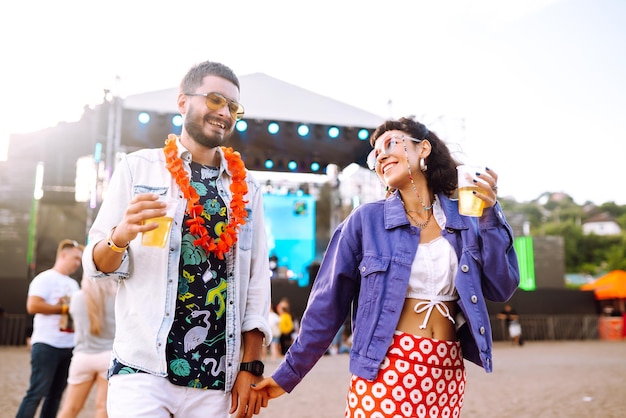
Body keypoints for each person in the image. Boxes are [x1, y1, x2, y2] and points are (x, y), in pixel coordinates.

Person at [253, 117, 520, 417]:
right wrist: (287, 375)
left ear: (424, 149)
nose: (380, 155)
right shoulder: (365, 221)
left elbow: (502, 286)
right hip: (387, 366)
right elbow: (326, 306)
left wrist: (490, 217)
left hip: (447, 371)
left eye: (390, 143)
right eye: (375, 154)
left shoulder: (467, 221)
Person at [81, 60, 272, 418]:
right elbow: (95, 267)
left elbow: (257, 283)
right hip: (142, 370)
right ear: (183, 102)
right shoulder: (138, 169)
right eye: (215, 100)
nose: (224, 113)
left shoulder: (248, 189)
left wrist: (251, 367)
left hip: (217, 382)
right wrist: (119, 237)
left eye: (233, 107)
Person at [16, 239, 84, 418]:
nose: (78, 263)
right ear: (63, 255)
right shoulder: (44, 278)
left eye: (80, 260)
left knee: (55, 396)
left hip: (68, 346)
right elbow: (33, 306)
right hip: (46, 345)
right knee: (35, 393)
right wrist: (63, 308)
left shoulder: (73, 284)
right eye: (76, 258)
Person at [57, 276, 117, 418]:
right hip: (108, 357)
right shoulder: (116, 297)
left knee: (70, 408)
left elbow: (68, 324)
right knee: (102, 407)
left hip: (82, 357)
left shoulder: (76, 298)